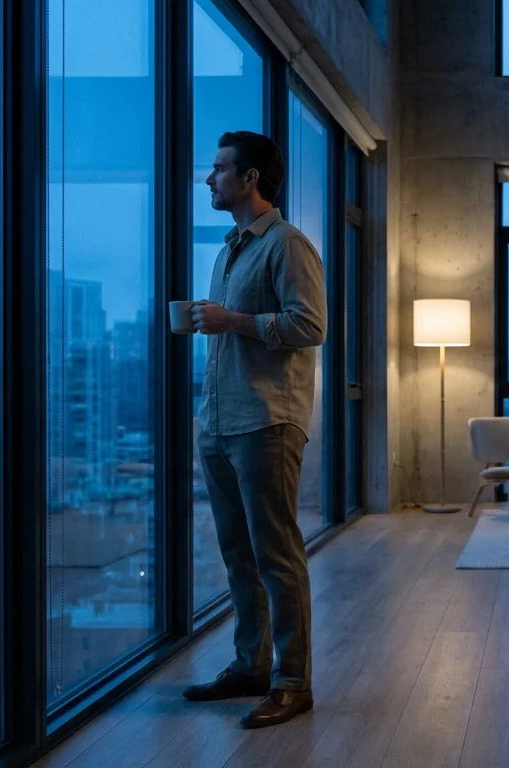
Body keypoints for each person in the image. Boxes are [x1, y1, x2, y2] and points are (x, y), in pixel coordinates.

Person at [182, 130, 326, 729]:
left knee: (277, 555)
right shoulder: (229, 250)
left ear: (250, 179)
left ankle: (292, 681)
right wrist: (216, 324)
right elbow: (234, 329)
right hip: (221, 420)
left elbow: (310, 324)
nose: (208, 179)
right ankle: (250, 665)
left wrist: (232, 320)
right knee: (237, 552)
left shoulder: (287, 245)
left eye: (218, 170)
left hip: (267, 420)